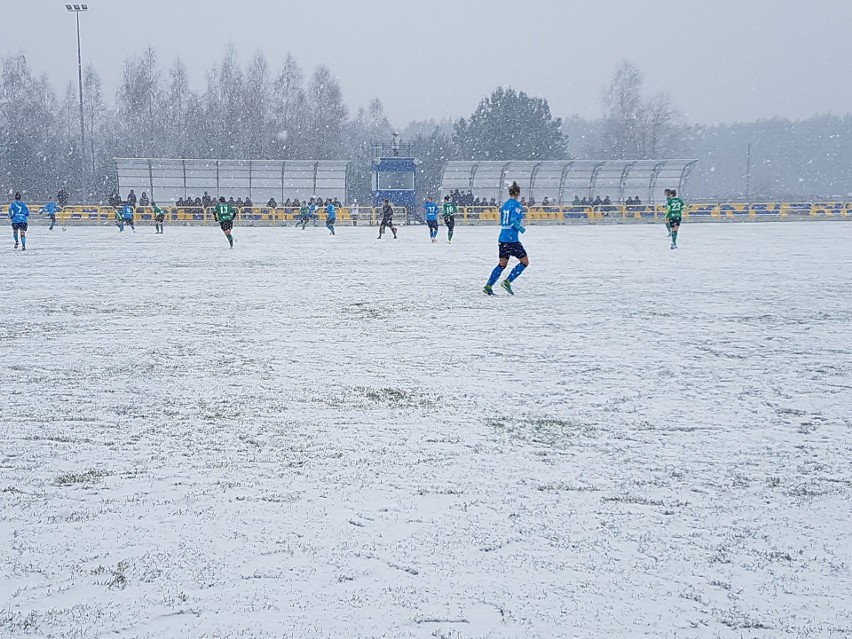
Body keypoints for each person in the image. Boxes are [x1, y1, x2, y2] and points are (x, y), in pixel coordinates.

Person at [483, 181, 528, 296]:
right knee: (524, 262)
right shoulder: (517, 205)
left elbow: (502, 220)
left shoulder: (505, 205)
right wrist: (521, 228)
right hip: (512, 239)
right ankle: (507, 281)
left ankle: (488, 286)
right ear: (518, 193)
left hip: (502, 238)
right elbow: (513, 220)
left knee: (502, 264)